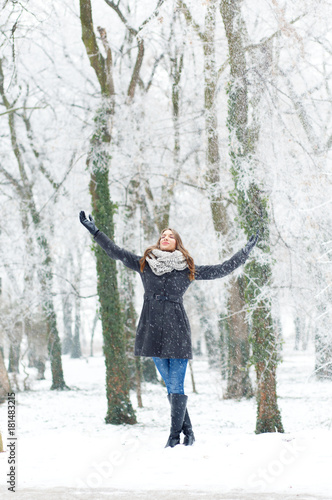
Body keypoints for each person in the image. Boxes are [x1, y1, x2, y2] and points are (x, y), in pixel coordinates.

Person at [79, 211, 258, 448]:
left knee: (176, 385)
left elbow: (221, 269)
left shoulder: (187, 268)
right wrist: (95, 231)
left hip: (177, 329)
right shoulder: (145, 264)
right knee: (172, 386)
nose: (165, 236)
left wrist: (245, 252)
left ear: (177, 243)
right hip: (151, 329)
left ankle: (174, 437)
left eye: (170, 235)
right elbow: (116, 252)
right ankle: (189, 432)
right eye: (163, 234)